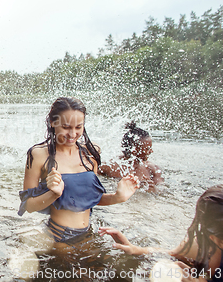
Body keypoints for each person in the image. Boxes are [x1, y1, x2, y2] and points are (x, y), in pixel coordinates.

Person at [18, 97, 140, 243]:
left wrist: (117, 197)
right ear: (52, 123)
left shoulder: (91, 152)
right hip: (58, 236)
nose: (72, 134)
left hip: (88, 233)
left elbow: (87, 199)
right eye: (66, 127)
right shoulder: (38, 155)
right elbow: (28, 205)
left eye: (78, 127)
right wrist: (53, 194)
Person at [99, 184, 223, 282]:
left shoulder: (210, 243)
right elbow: (169, 253)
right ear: (216, 240)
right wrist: (136, 250)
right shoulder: (199, 246)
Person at [98, 121, 163, 190]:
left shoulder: (152, 169)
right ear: (134, 151)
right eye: (148, 148)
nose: (151, 151)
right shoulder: (110, 167)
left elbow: (163, 189)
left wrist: (154, 189)